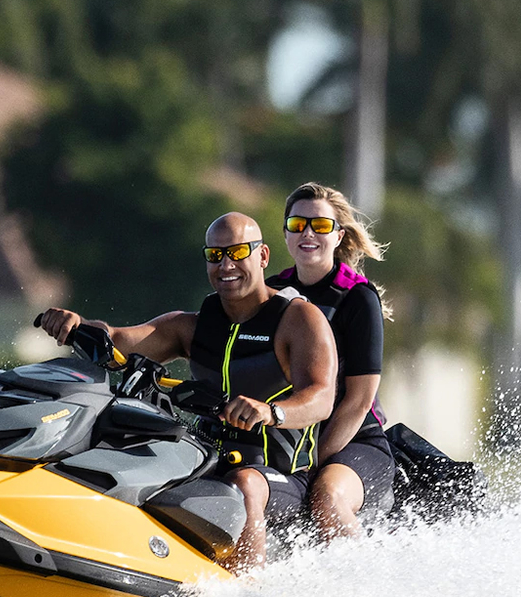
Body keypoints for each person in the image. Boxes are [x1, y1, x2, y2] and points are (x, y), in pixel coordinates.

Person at [37, 212, 336, 570]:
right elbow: (118, 342)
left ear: (263, 256)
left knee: (244, 485)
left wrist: (270, 412)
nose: (226, 264)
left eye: (238, 252)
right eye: (215, 255)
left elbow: (321, 397)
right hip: (205, 463)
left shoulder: (298, 319)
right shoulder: (192, 326)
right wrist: (77, 325)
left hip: (281, 477)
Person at [265, 181, 394, 542]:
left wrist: (312, 461)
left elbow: (359, 401)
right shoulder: (272, 292)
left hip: (353, 440)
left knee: (325, 498)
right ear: (286, 233)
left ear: (338, 236)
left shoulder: (358, 298)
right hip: (286, 437)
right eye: (297, 224)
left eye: (320, 226)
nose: (308, 233)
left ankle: (361, 590)